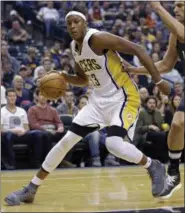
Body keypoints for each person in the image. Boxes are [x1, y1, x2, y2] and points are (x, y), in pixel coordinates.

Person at [4, 7, 170, 206]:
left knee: (114, 145)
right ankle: (31, 188)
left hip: (123, 97)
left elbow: (139, 49)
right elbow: (83, 80)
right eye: (69, 24)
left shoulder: (98, 39)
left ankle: (154, 166)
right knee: (65, 141)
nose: (72, 26)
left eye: (76, 22)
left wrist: (159, 82)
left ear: (85, 23)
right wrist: (64, 77)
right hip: (98, 101)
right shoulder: (75, 48)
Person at [125, 1, 184, 198]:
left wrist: (157, 6)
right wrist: (136, 69)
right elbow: (166, 64)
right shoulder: (175, 35)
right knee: (177, 125)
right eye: (174, 5)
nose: (176, 9)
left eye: (181, 5)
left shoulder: (180, 32)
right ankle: (174, 173)